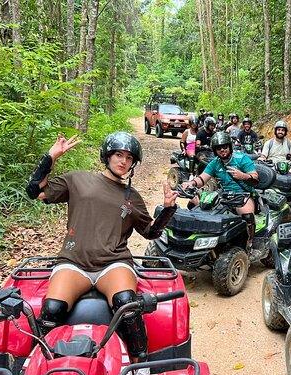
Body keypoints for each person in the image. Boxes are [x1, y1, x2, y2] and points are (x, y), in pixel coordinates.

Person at [25, 131, 178, 358]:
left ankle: (140, 365)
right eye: (118, 154)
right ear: (107, 156)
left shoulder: (132, 197)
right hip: (74, 261)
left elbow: (150, 232)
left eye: (129, 158)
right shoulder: (78, 180)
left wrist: (167, 209)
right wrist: (51, 157)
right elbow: (34, 192)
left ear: (133, 164)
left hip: (114, 263)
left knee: (127, 304)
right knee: (52, 309)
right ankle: (36, 365)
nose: (123, 161)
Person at [181, 131, 259, 251]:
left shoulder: (242, 159)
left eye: (225, 147)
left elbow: (255, 178)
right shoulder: (215, 163)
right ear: (214, 150)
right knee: (194, 202)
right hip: (223, 195)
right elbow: (202, 178)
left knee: (247, 215)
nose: (222, 150)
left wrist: (243, 176)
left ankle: (250, 243)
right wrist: (191, 183)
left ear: (230, 146)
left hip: (243, 194)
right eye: (218, 148)